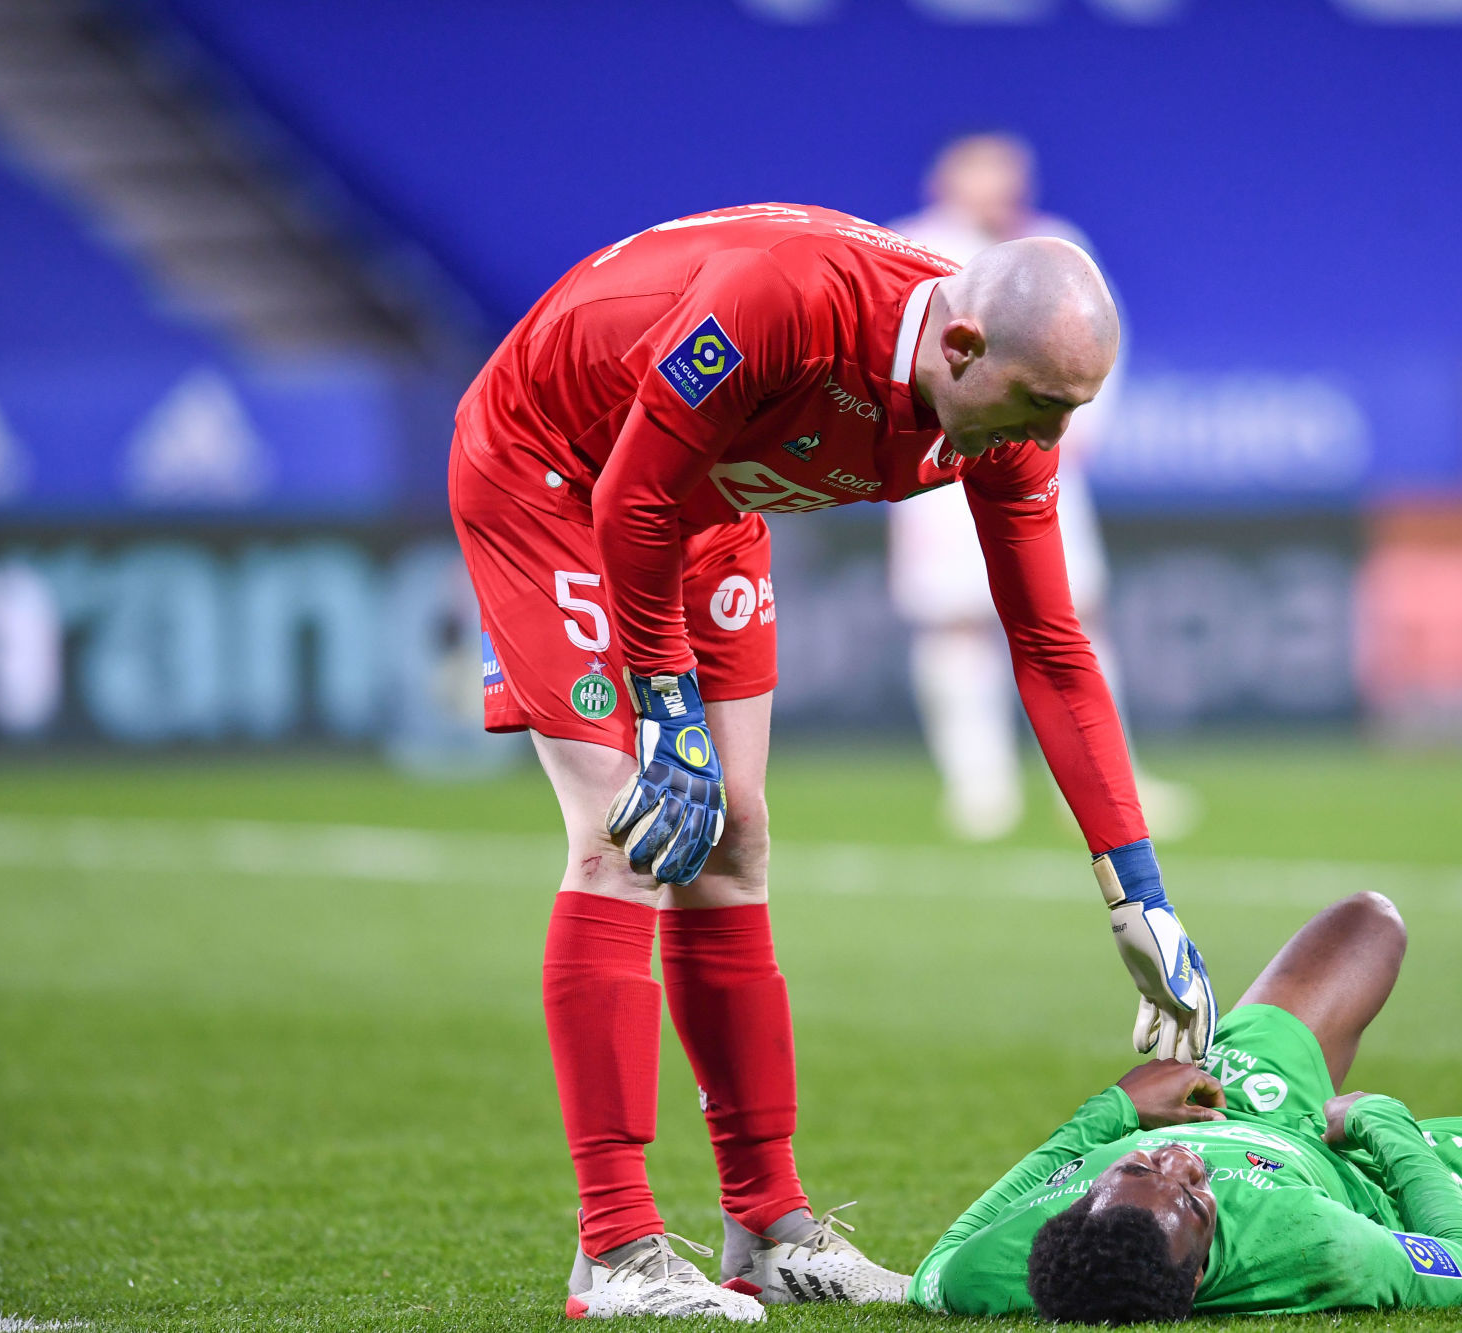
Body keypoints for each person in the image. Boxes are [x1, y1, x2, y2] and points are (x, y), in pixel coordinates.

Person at [448, 202, 1219, 1321]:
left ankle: (766, 1227)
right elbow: (631, 494)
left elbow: (1050, 647)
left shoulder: (996, 414)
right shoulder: (782, 303)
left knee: (735, 835)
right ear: (960, 349)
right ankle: (613, 1250)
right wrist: (665, 709)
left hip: (701, 503)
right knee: (630, 827)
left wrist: (1135, 893)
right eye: (1042, 408)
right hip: (561, 479)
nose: (1046, 442)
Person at [910, 891, 1462, 1320]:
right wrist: (1380, 1126)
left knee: (1368, 920)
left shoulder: (1026, 1261)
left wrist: (1117, 1112)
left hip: (1236, 1103)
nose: (1182, 1161)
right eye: (1194, 1197)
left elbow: (932, 1267)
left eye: (1145, 1167)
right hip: (1365, 1175)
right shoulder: (1315, 1243)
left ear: (1082, 1207)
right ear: (1202, 1264)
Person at [888, 133, 1194, 841]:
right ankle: (978, 786)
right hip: (943, 461)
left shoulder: (1056, 243)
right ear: (946, 181)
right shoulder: (916, 244)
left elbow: (1104, 336)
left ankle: (1100, 782)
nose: (995, 190)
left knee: (1074, 614)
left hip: (1038, 454)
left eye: (1006, 176)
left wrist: (1080, 423)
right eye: (979, 175)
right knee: (955, 620)